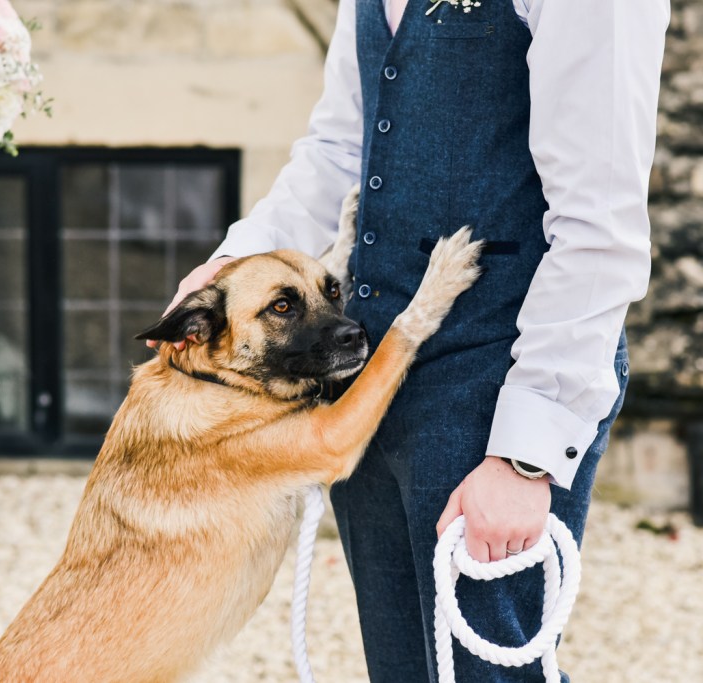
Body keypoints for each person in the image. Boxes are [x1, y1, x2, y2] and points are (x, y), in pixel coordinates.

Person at [157, 0, 668, 680]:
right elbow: (340, 148)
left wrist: (525, 457)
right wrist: (233, 263)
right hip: (371, 381)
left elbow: (600, 224)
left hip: (497, 377)